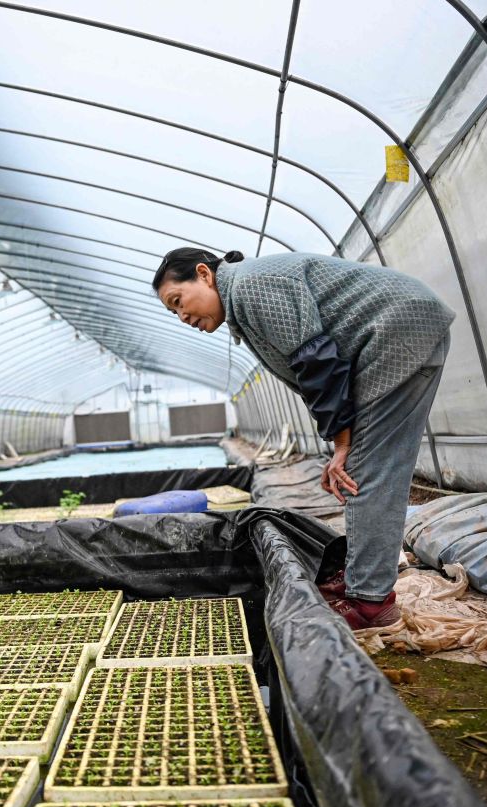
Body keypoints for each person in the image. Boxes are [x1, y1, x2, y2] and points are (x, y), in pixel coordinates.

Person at [153, 248, 454, 630]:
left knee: (368, 471)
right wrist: (340, 444)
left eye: (178, 302)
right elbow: (317, 373)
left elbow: (318, 364)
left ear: (204, 274)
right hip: (396, 336)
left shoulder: (251, 287)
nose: (182, 317)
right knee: (364, 465)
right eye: (172, 312)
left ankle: (371, 602)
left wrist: (342, 446)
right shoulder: (243, 301)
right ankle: (362, 578)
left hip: (397, 333)